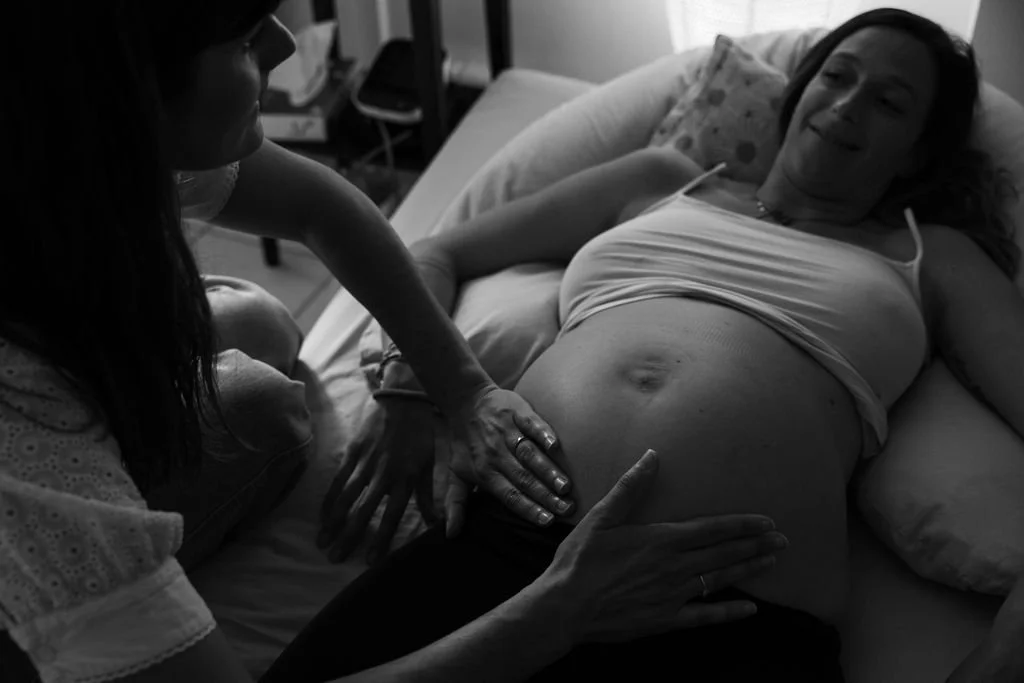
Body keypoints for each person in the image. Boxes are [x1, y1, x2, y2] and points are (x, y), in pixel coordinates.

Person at [0, 1, 792, 682]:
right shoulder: (27, 432)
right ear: (128, 88)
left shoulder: (84, 154)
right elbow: (444, 249)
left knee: (262, 330)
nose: (284, 44)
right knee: (273, 413)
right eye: (243, 40)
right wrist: (561, 609)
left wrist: (458, 386)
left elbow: (326, 209)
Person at [277, 7, 1024, 682]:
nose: (845, 105)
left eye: (889, 102)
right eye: (837, 75)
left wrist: (1000, 652)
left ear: (919, 153)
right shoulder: (667, 181)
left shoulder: (934, 258)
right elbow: (437, 252)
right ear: (800, 88)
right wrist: (413, 386)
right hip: (507, 546)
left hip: (728, 610)